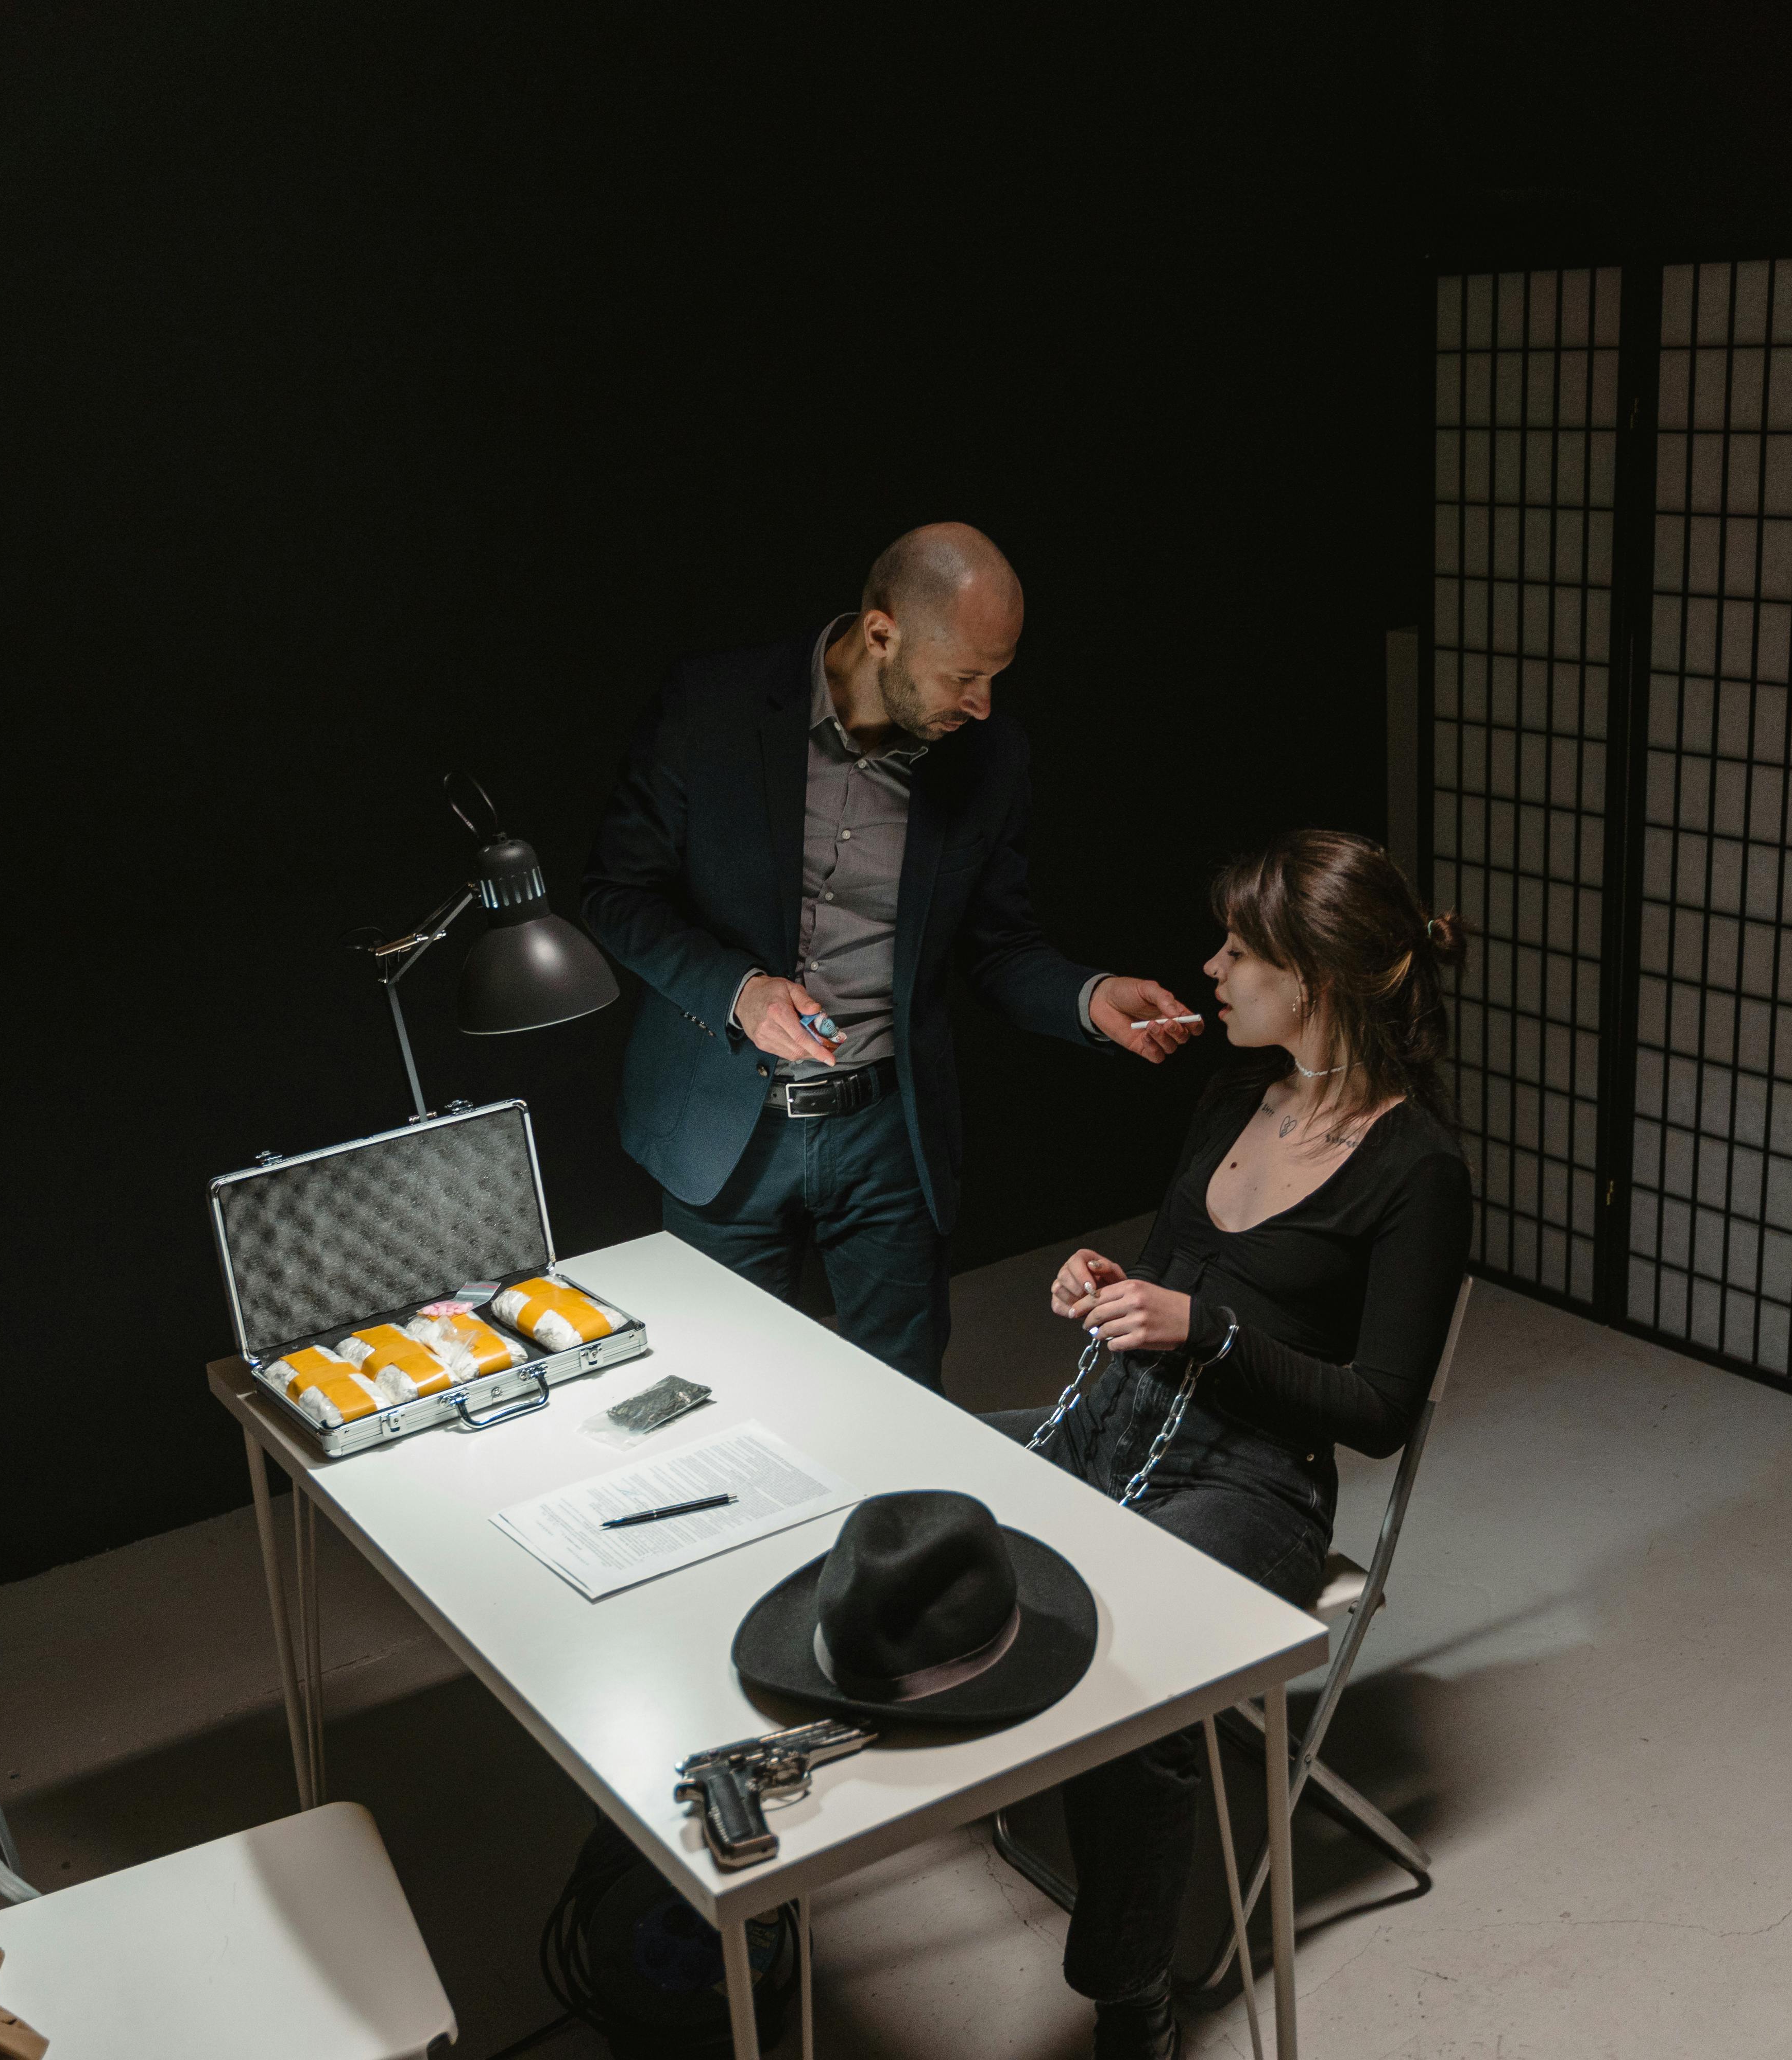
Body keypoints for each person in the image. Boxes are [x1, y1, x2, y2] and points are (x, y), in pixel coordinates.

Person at [991, 828, 1474, 2060]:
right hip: (1120, 1418)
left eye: (1238, 950)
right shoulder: (1230, 1091)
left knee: (1140, 1676)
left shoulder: (1417, 1166)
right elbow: (1171, 1274)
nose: (1211, 967)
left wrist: (1205, 1330)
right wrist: (1109, 1284)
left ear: (1309, 978)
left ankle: (1130, 1994)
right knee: (949, 1553)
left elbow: (1376, 1410)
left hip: (1253, 1478)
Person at [582, 523, 1199, 1388]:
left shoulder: (990, 757)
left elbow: (1000, 946)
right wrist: (742, 992)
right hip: (722, 1124)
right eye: (966, 678)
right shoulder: (712, 704)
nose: (982, 705)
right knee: (717, 1400)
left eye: (996, 678)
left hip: (887, 1135)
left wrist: (1087, 997)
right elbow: (617, 894)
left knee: (901, 1403)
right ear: (882, 634)